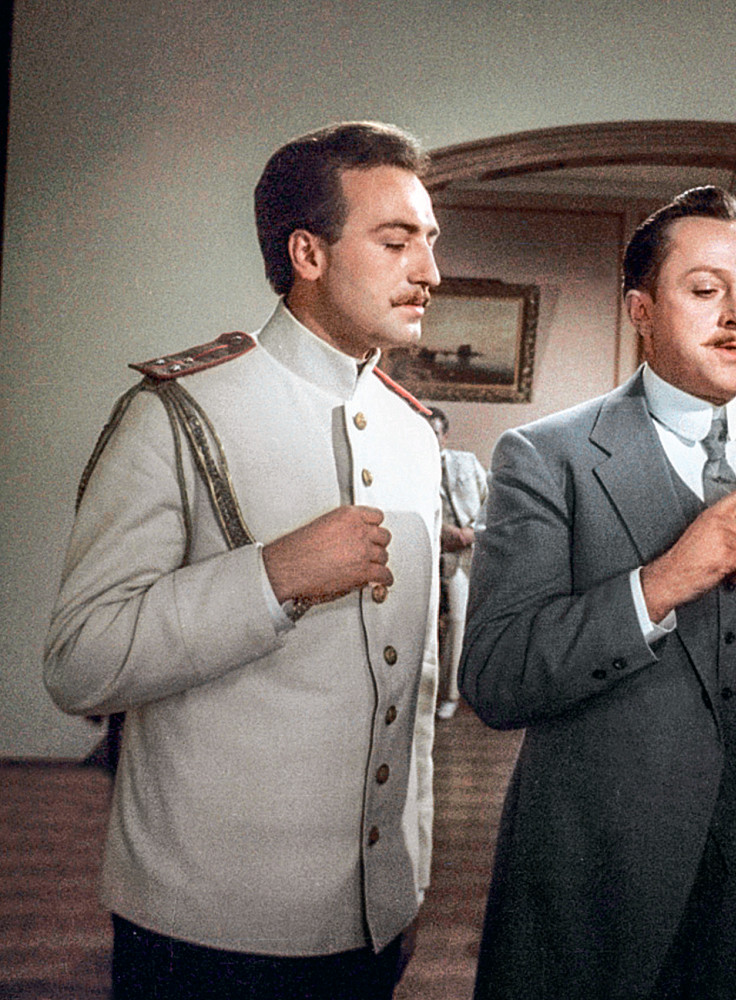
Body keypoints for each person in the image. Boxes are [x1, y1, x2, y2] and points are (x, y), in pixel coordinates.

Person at [44, 121, 444, 999]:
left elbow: (408, 696)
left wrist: (400, 884)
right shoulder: (177, 413)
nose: (429, 270)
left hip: (374, 918)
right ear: (307, 252)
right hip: (205, 927)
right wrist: (273, 576)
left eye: (429, 239)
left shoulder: (415, 433)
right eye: (396, 241)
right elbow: (79, 662)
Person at [460, 186, 736, 1000]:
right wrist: (659, 584)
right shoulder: (546, 457)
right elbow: (496, 679)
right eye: (705, 290)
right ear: (640, 309)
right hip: (596, 892)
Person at [427, 406, 489, 720]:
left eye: (435, 433)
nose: (430, 439)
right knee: (433, 622)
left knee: (460, 621)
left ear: (445, 436)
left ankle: (453, 694)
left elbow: (491, 501)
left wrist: (473, 532)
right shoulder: (410, 467)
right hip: (434, 553)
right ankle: (431, 695)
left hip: (472, 554)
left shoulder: (466, 462)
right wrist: (445, 532)